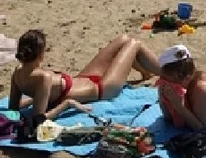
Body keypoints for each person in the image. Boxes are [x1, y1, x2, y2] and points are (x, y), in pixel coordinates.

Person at [9, 30, 159, 120]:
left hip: (85, 78)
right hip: (103, 89)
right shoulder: (44, 78)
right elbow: (39, 119)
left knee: (124, 39)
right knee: (134, 43)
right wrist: (67, 104)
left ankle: (146, 73)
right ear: (41, 54)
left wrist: (33, 100)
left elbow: (13, 109)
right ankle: (169, 73)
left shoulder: (17, 74)